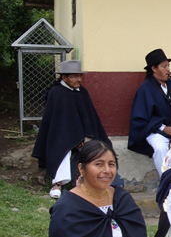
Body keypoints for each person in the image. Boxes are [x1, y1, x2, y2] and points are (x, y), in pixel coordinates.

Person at [32, 60, 111, 199]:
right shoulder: (56, 93)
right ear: (64, 77)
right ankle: (57, 184)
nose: (78, 79)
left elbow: (89, 118)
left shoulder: (82, 92)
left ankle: (93, 184)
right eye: (74, 76)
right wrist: (74, 140)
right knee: (63, 149)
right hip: (61, 137)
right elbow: (57, 124)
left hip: (83, 136)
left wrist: (85, 137)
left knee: (96, 150)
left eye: (79, 76)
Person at [128, 49, 171, 176]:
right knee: (160, 148)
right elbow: (141, 118)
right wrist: (164, 128)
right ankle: (166, 180)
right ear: (153, 68)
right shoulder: (145, 89)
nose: (168, 69)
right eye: (164, 66)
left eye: (168, 66)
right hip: (155, 130)